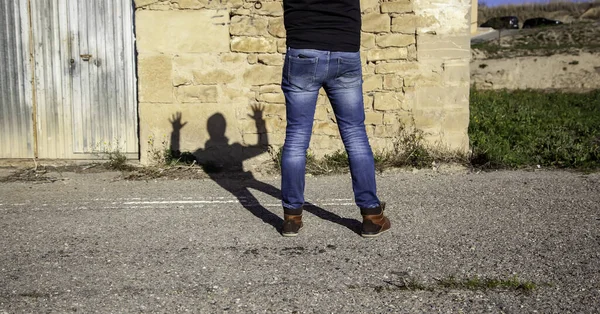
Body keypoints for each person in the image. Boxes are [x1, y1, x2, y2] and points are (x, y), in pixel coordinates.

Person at [280, 0, 391, 238]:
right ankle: (372, 216)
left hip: (303, 50)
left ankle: (292, 219)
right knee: (354, 133)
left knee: (297, 136)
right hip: (344, 50)